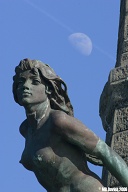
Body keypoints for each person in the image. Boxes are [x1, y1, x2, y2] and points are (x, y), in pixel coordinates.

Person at [13, 58, 128, 192]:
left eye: (35, 82)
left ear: (49, 90)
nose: (26, 86)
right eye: (21, 82)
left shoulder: (58, 120)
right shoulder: (25, 129)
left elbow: (105, 152)